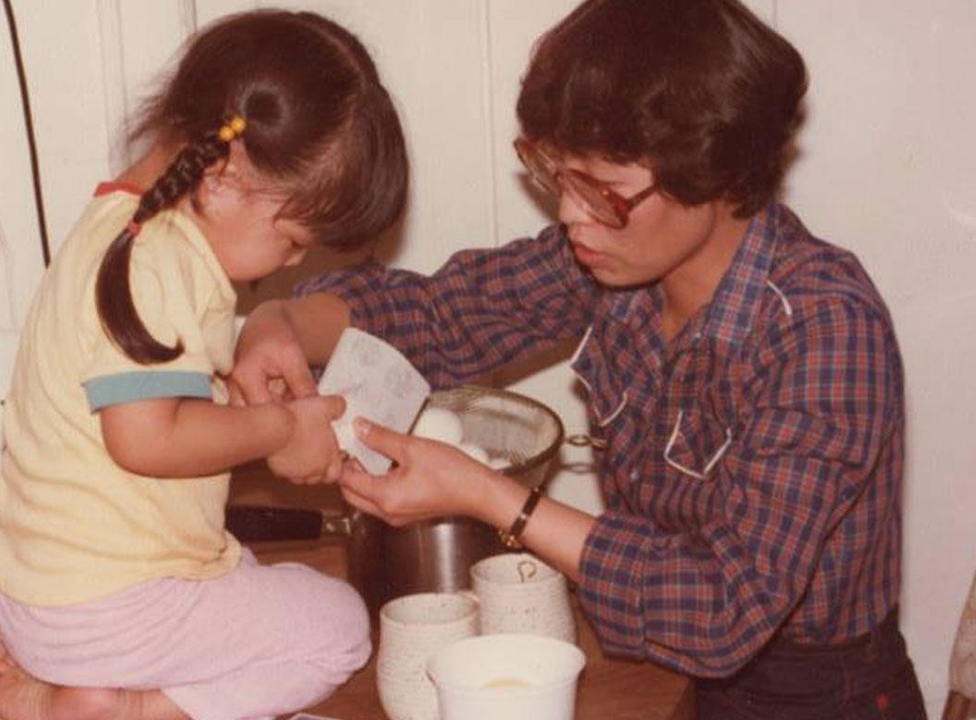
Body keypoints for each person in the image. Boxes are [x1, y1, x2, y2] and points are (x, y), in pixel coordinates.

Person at [231, 1, 927, 718]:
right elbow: (443, 314)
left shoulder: (826, 328)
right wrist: (284, 321)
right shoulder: (612, 262)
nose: (569, 215)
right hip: (660, 663)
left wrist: (487, 494)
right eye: (555, 175)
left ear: (717, 175)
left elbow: (727, 607)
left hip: (815, 695)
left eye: (604, 191)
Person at [0, 10, 409, 720]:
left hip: (29, 577)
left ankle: (52, 660)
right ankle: (106, 707)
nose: (292, 264)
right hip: (101, 604)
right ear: (222, 180)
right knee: (337, 629)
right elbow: (145, 439)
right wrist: (280, 429)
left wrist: (236, 395)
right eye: (292, 242)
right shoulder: (163, 266)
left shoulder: (121, 227)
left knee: (242, 573)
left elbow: (133, 409)